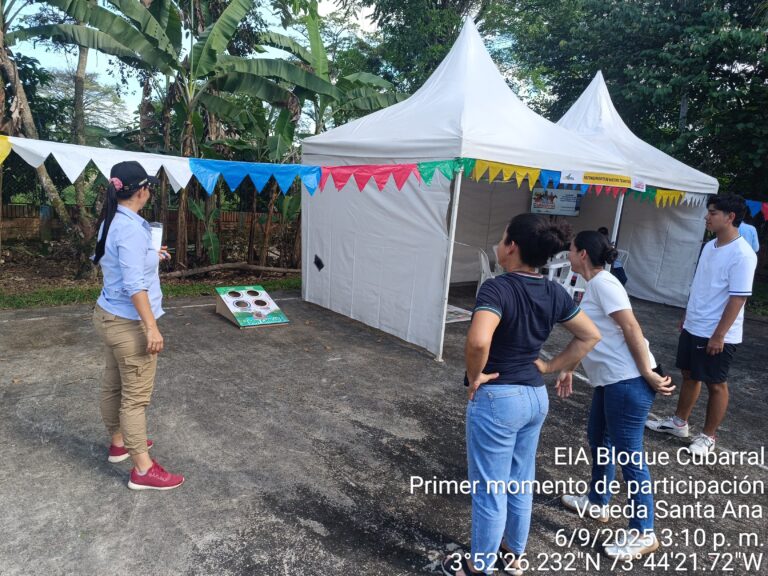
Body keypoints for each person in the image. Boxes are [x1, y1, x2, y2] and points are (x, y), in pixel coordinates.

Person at [442, 214, 601, 576]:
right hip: (534, 396)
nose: (499, 245)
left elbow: (479, 339)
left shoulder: (496, 288)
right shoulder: (553, 290)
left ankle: (477, 566)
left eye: (502, 238)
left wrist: (474, 375)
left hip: (499, 398)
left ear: (511, 246)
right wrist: (551, 366)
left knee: (490, 489)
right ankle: (513, 554)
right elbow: (589, 335)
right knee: (519, 481)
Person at [558, 231, 675, 560]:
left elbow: (631, 327)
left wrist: (648, 373)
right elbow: (590, 335)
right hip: (611, 382)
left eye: (570, 248)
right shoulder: (594, 285)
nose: (567, 252)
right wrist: (569, 367)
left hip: (627, 382)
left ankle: (643, 532)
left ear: (582, 254)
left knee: (630, 458)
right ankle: (598, 502)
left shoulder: (604, 284)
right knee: (599, 439)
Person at [92, 161, 184, 491]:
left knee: (113, 383)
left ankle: (119, 444)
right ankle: (142, 470)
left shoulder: (113, 218)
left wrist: (150, 253)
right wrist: (151, 328)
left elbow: (115, 259)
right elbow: (134, 285)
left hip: (107, 314)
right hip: (129, 323)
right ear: (142, 191)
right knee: (135, 400)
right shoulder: (130, 228)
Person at [646, 195, 757, 456]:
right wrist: (688, 314)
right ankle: (678, 423)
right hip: (695, 323)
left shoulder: (743, 254)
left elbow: (738, 297)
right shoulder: (710, 246)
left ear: (730, 217)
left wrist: (719, 335)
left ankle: (708, 436)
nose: (707, 217)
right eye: (709, 212)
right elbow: (702, 285)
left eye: (714, 212)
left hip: (718, 332)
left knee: (716, 383)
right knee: (689, 374)